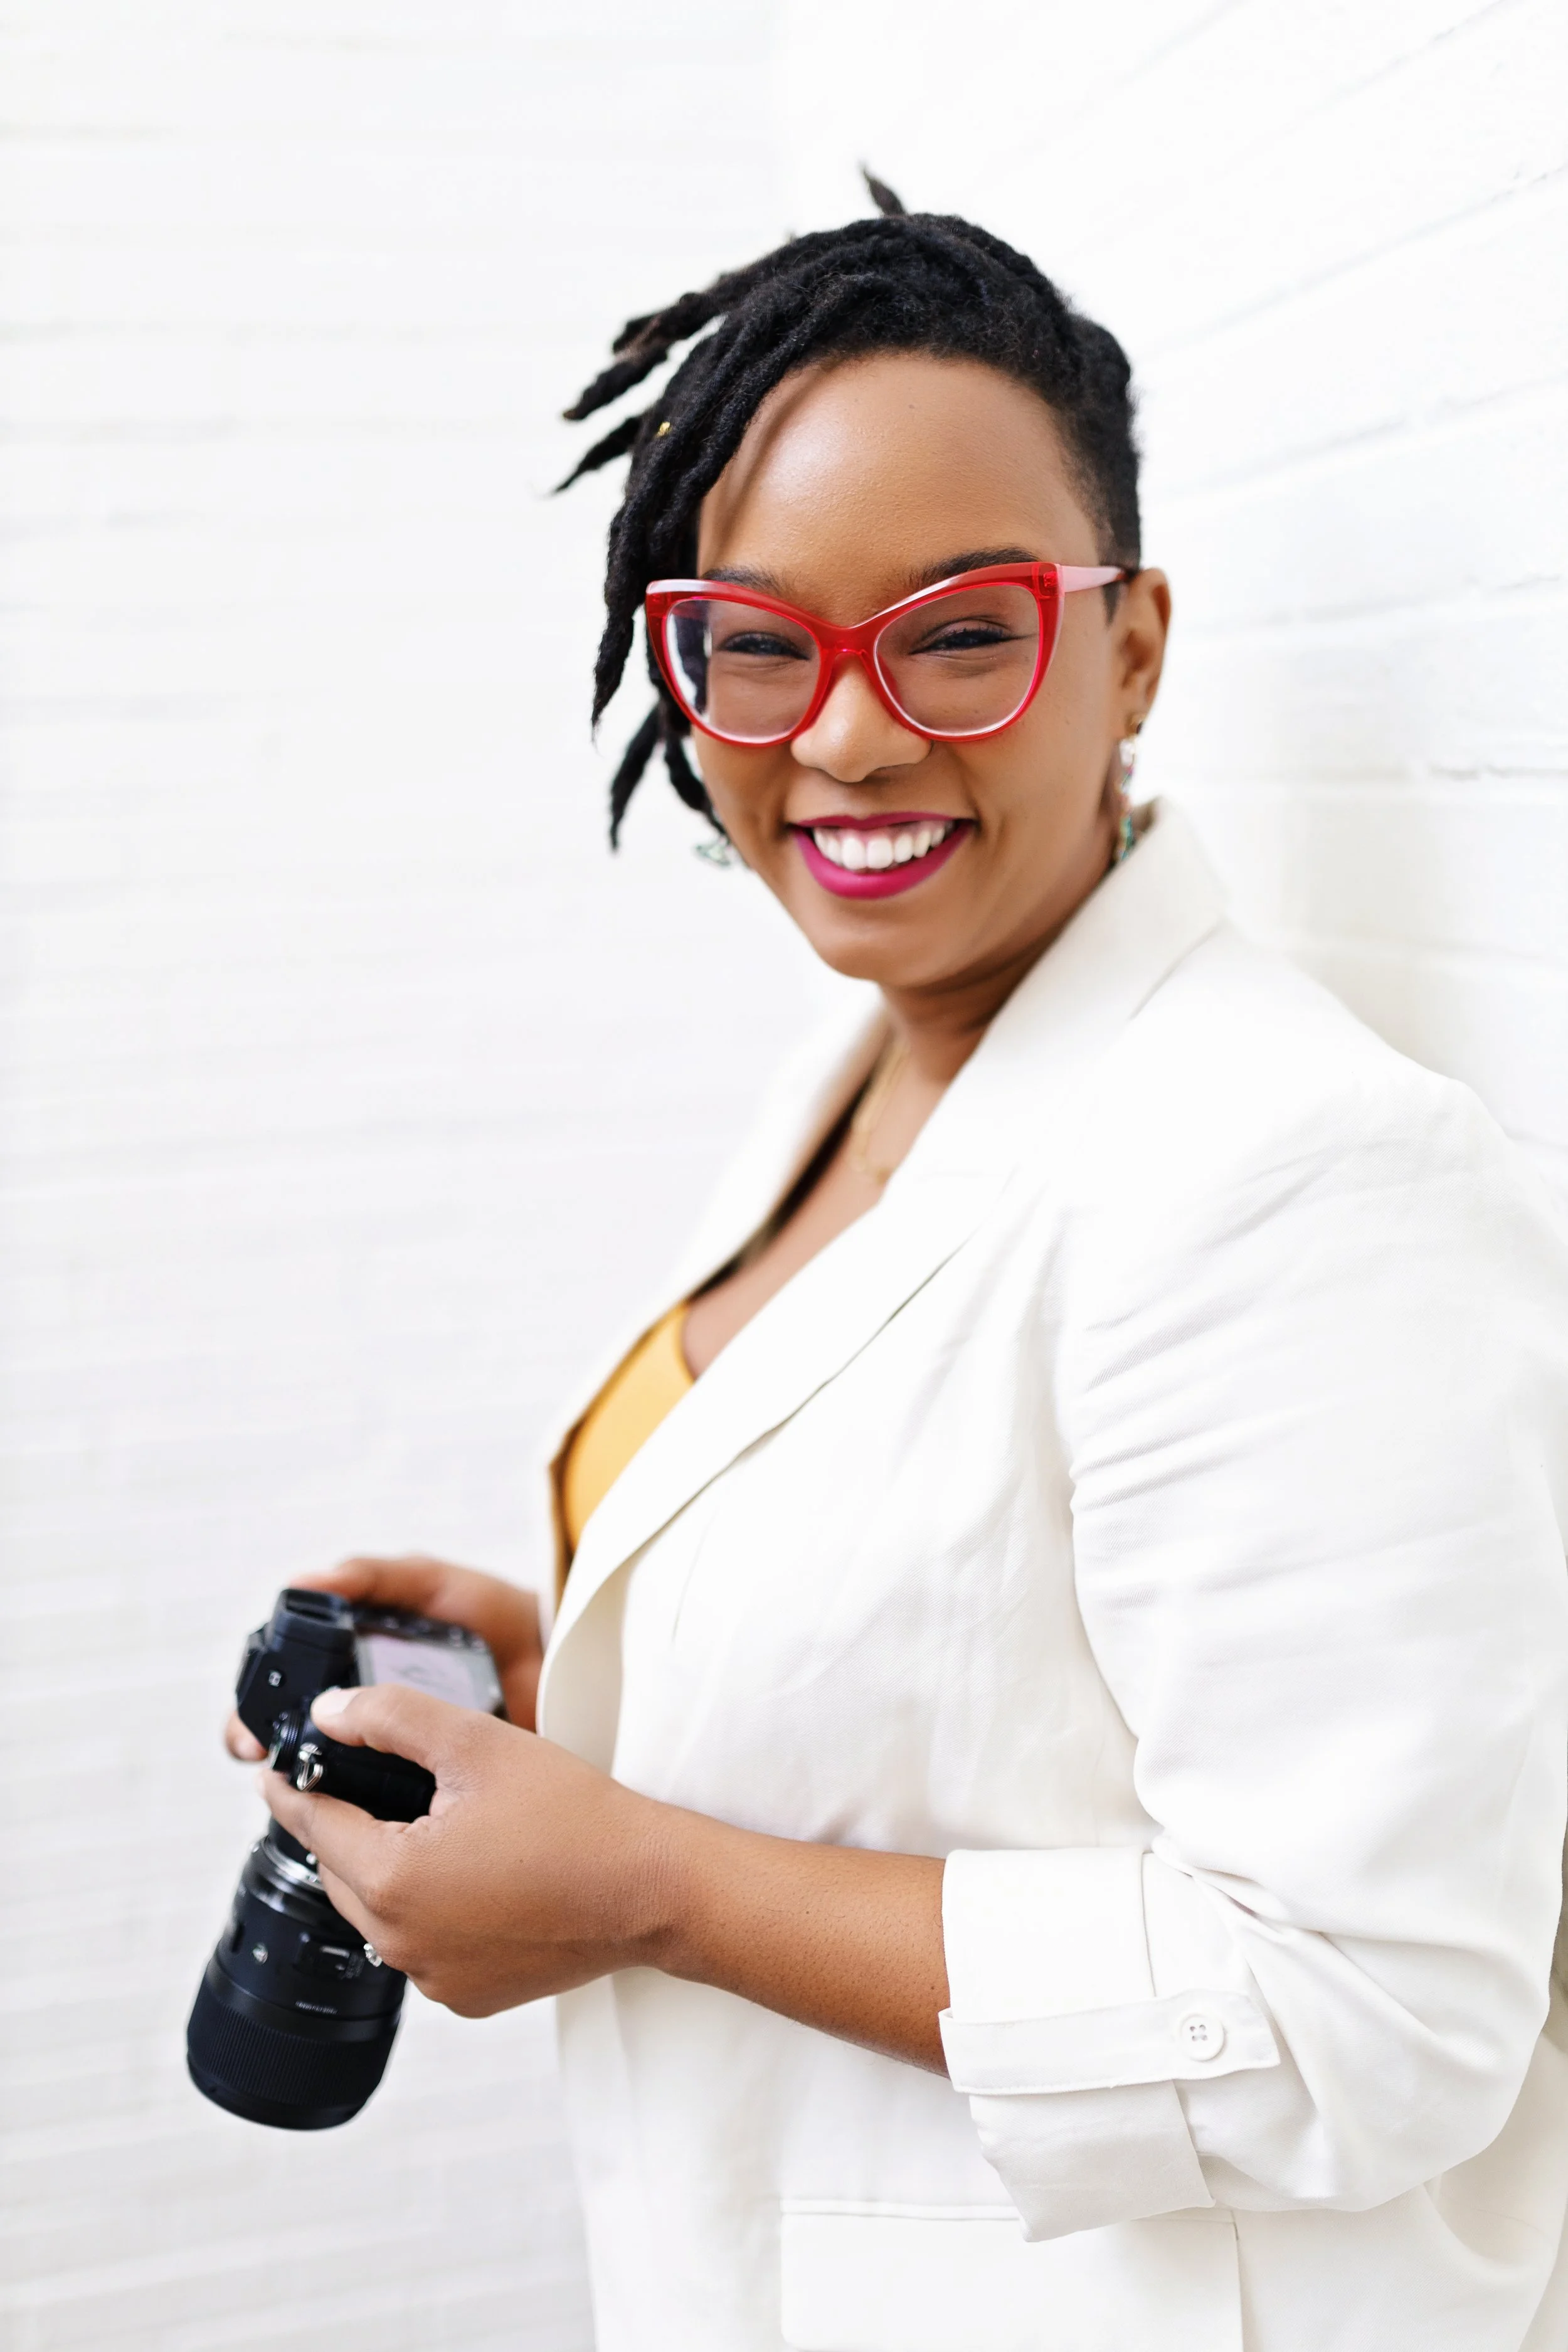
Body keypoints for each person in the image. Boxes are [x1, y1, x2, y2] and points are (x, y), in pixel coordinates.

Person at [228, 189, 1568, 2351]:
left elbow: (1377, 2010)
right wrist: (596, 1675)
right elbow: (981, 1664)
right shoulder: (862, 1070)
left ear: (1129, 646)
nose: (842, 739)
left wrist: (645, 1881)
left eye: (956, 633)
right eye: (756, 644)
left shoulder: (1306, 1177)